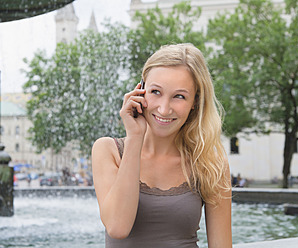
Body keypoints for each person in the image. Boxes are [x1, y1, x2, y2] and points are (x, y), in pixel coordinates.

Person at [92, 43, 232, 248]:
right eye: (156, 92)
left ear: (195, 102)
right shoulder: (107, 150)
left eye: (179, 96)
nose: (164, 109)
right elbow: (117, 227)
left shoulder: (210, 163)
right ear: (140, 91)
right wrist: (135, 138)